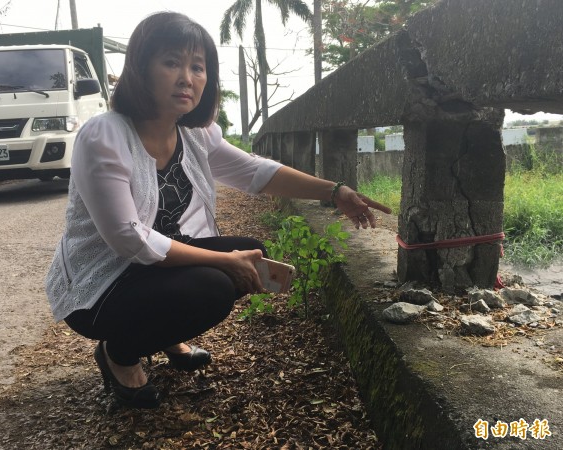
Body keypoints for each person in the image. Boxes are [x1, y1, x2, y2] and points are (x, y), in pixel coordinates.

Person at [44, 11, 391, 409]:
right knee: (214, 287)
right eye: (171, 62)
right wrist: (226, 261)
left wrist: (334, 191)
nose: (186, 78)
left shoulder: (193, 132)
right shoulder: (104, 135)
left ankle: (163, 332)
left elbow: (253, 171)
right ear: (141, 68)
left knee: (251, 251)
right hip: (102, 285)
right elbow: (128, 239)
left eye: (197, 66)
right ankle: (118, 354)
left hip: (152, 267)